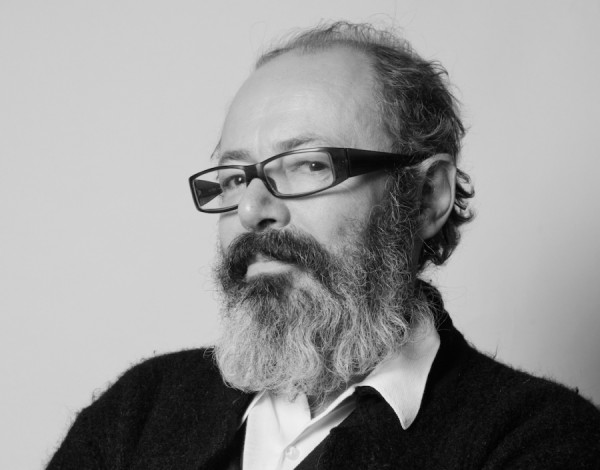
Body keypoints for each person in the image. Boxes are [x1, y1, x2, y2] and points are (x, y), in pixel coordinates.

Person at [46, 22, 600, 469]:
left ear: (427, 198)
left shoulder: (539, 441)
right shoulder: (138, 413)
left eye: (310, 165)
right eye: (235, 177)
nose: (251, 209)